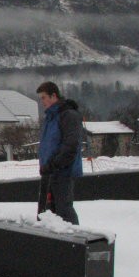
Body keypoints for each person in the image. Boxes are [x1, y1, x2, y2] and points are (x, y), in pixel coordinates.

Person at [36, 81, 83, 224]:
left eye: (43, 97)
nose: (42, 102)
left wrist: (54, 164)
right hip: (49, 172)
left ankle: (74, 241)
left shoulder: (68, 115)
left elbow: (70, 146)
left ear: (53, 95)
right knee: (50, 212)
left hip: (62, 172)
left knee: (64, 211)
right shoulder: (50, 117)